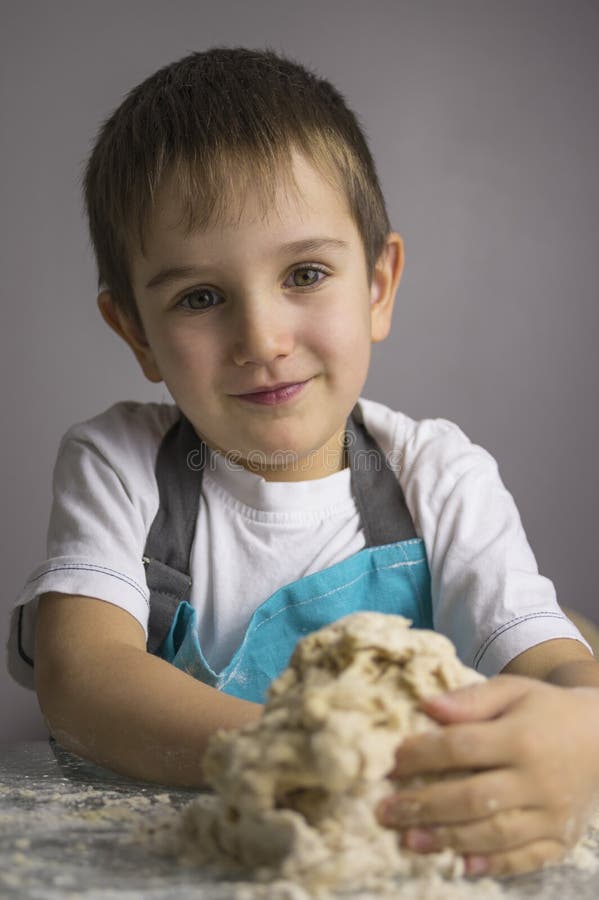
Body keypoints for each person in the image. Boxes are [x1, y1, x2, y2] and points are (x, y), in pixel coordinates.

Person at [7, 46, 599, 880]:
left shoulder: (439, 478)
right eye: (200, 298)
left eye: (306, 273)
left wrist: (581, 737)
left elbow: (554, 665)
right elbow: (82, 676)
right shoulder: (122, 463)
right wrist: (299, 757)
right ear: (135, 331)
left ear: (378, 285)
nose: (261, 340)